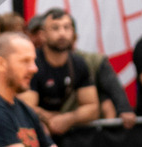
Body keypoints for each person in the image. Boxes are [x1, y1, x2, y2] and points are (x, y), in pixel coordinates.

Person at [21, 8, 99, 137]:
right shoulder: (32, 63)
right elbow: (26, 107)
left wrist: (68, 119)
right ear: (43, 35)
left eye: (66, 27)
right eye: (55, 28)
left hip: (65, 130)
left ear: (73, 32)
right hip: (32, 131)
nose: (62, 33)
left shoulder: (78, 63)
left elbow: (92, 108)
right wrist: (49, 118)